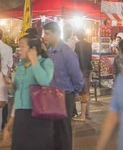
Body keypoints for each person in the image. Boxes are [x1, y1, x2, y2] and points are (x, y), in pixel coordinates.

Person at [3, 34, 54, 150]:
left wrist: (34, 60)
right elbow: (17, 90)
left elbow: (44, 81)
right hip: (21, 112)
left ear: (33, 49)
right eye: (18, 47)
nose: (19, 50)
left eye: (22, 47)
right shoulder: (21, 65)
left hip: (37, 112)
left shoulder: (45, 62)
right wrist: (10, 86)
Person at [43, 22, 84, 150]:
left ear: (56, 34)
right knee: (53, 129)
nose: (45, 36)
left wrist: (73, 93)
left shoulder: (67, 52)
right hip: (52, 94)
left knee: (64, 130)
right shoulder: (49, 51)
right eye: (44, 33)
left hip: (65, 95)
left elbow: (77, 77)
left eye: (47, 33)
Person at [73, 29, 93, 122]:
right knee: (86, 90)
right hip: (88, 69)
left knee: (83, 91)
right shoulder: (89, 45)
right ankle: (87, 113)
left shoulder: (77, 45)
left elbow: (75, 58)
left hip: (80, 69)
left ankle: (83, 115)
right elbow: (90, 57)